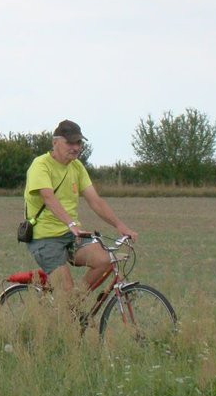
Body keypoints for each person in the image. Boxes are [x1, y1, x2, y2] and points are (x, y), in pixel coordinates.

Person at [23, 120, 138, 301]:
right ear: (55, 142)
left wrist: (120, 226)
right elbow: (48, 198)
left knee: (105, 261)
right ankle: (66, 307)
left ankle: (74, 305)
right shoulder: (41, 165)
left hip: (71, 235)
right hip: (44, 237)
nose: (76, 147)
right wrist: (71, 224)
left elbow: (95, 201)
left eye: (78, 143)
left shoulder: (76, 167)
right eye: (70, 143)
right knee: (66, 291)